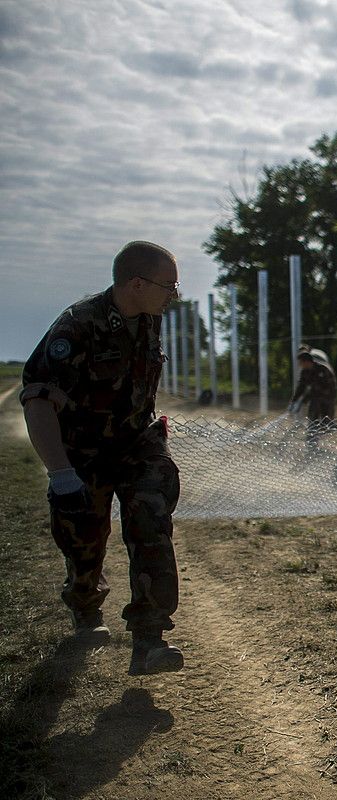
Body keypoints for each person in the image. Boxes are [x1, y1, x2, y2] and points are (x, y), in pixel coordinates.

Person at [21, 240, 185, 675]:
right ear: (136, 283)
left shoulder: (149, 319)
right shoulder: (76, 327)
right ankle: (85, 602)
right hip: (82, 453)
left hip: (136, 444)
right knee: (84, 541)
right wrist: (60, 474)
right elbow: (38, 400)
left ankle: (150, 640)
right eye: (169, 285)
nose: (174, 294)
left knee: (150, 522)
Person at [288, 347, 337, 452]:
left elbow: (325, 388)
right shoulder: (305, 372)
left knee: (327, 422)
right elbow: (301, 387)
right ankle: (311, 443)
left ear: (307, 362)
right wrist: (294, 402)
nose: (300, 365)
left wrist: (304, 400)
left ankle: (324, 440)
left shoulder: (323, 370)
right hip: (316, 399)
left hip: (328, 398)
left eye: (301, 362)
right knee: (313, 417)